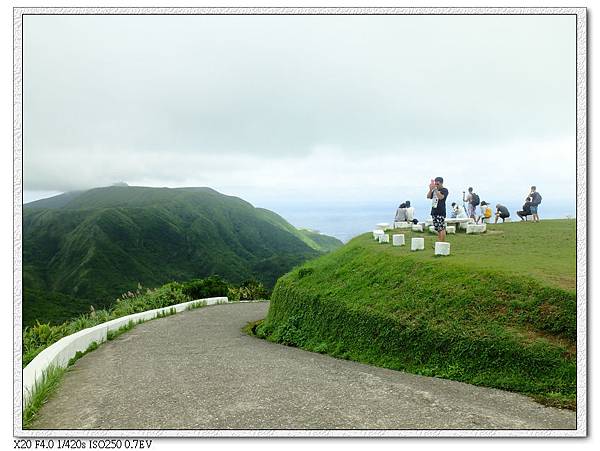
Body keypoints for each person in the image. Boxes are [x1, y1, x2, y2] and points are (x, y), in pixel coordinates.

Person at [427, 177, 449, 242]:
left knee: (441, 228)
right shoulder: (434, 190)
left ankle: (442, 242)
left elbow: (441, 197)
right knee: (438, 229)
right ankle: (439, 242)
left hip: (440, 211)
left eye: (438, 184)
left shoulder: (444, 190)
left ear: (441, 183)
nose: (436, 185)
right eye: (435, 184)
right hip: (434, 211)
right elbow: (428, 196)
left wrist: (436, 190)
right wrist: (431, 189)